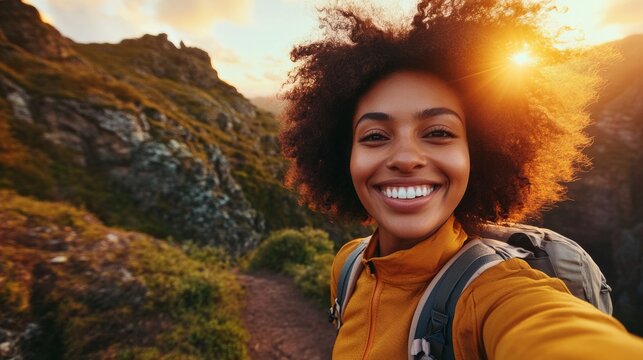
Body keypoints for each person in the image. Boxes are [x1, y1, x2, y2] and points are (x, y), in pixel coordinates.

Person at [279, 0, 643, 358]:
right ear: (347, 157)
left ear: (477, 152)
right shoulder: (348, 265)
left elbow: (553, 331)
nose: (406, 158)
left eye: (438, 132)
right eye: (375, 136)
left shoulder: (494, 292)